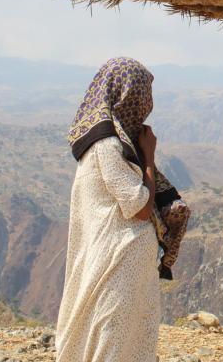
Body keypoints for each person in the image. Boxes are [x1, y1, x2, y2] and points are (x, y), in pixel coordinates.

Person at [54, 57, 162, 362]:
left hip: (116, 262)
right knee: (114, 342)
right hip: (119, 262)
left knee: (122, 340)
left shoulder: (103, 145)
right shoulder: (108, 147)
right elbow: (140, 207)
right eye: (144, 95)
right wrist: (150, 158)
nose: (147, 105)